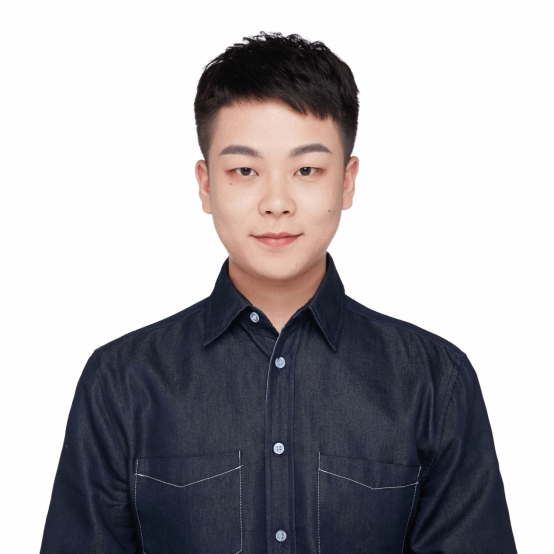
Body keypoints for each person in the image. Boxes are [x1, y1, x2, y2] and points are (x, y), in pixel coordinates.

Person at [40, 31, 518, 553]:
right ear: (206, 184)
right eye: (244, 170)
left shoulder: (434, 382)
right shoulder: (121, 384)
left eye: (306, 170)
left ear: (347, 181)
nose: (276, 202)